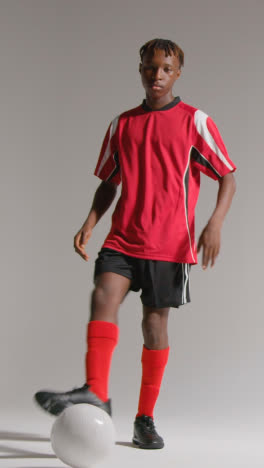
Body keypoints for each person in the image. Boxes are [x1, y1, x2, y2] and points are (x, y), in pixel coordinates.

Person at [34, 38, 236, 449]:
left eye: (166, 68)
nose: (157, 75)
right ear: (140, 69)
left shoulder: (195, 121)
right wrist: (90, 222)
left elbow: (227, 175)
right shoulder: (122, 124)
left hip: (170, 244)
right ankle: (96, 391)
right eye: (149, 67)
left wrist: (214, 224)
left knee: (153, 324)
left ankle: (144, 419)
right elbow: (110, 180)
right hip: (123, 237)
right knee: (103, 294)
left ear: (178, 72)